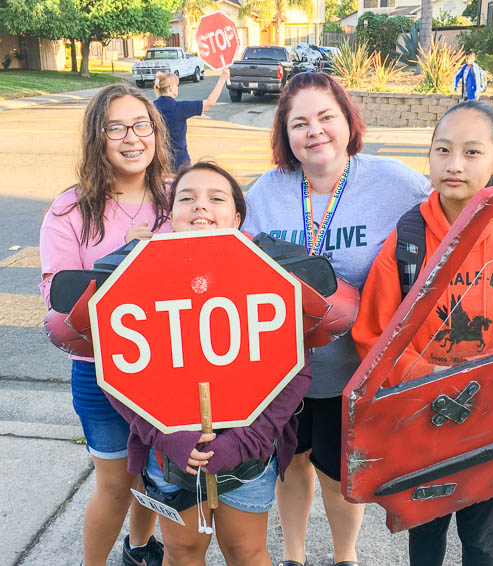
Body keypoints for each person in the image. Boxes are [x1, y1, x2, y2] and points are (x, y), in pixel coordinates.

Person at [352, 100, 493, 566]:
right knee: (424, 535)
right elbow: (374, 335)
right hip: (422, 417)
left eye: (472, 152)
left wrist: (492, 388)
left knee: (483, 538)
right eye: (443, 149)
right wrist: (435, 381)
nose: (454, 165)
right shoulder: (408, 240)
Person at [242, 71, 433, 566]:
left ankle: (345, 556)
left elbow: (459, 202)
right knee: (290, 465)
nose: (315, 131)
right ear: (285, 134)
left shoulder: (393, 181)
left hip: (354, 367)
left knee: (338, 470)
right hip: (281, 368)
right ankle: (295, 555)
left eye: (326, 117)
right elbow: (227, 253)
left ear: (348, 121)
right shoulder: (268, 190)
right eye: (300, 122)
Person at [105, 160, 313, 566]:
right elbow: (115, 373)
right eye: (187, 197)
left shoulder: (266, 276)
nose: (201, 206)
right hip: (170, 455)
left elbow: (295, 370)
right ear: (170, 216)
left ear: (236, 217)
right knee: (182, 551)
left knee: (247, 551)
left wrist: (245, 440)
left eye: (216, 198)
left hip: (248, 454)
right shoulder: (139, 276)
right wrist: (164, 435)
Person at [40, 83, 172, 566]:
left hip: (171, 370)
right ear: (97, 137)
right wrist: (120, 262)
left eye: (141, 125)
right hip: (101, 372)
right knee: (116, 486)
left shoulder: (180, 196)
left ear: (156, 132)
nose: (131, 137)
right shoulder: (70, 209)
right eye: (115, 127)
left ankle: (140, 548)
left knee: (158, 475)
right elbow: (57, 303)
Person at [153, 68, 230, 170]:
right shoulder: (180, 108)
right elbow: (210, 102)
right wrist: (222, 79)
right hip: (179, 162)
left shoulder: (151, 108)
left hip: (157, 162)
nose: (177, 88)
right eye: (176, 85)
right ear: (171, 88)